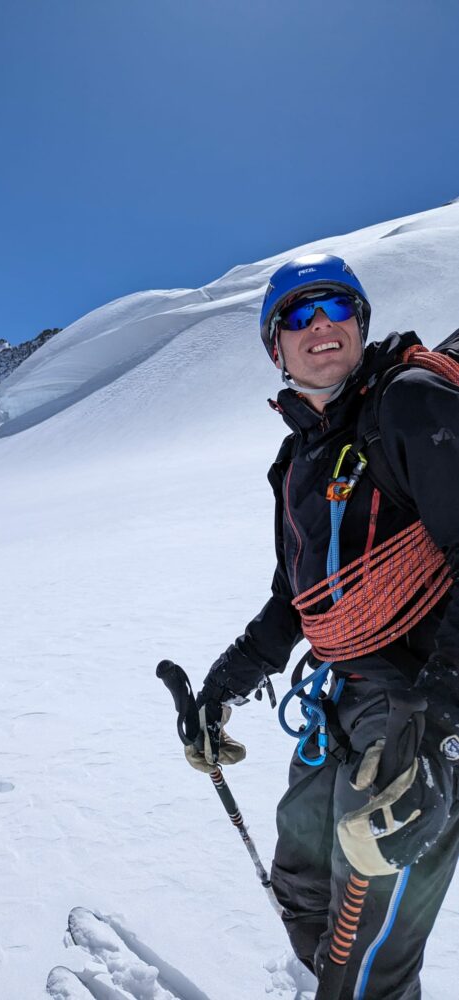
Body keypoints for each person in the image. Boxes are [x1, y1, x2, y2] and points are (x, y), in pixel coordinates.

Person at [185, 254, 459, 999]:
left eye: (337, 308)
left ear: (361, 324)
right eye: (298, 317)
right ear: (274, 346)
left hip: (418, 706)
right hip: (341, 698)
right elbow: (296, 600)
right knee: (302, 881)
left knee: (366, 950)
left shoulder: (409, 403)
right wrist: (223, 685)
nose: (321, 326)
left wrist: (437, 727)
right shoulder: (297, 457)